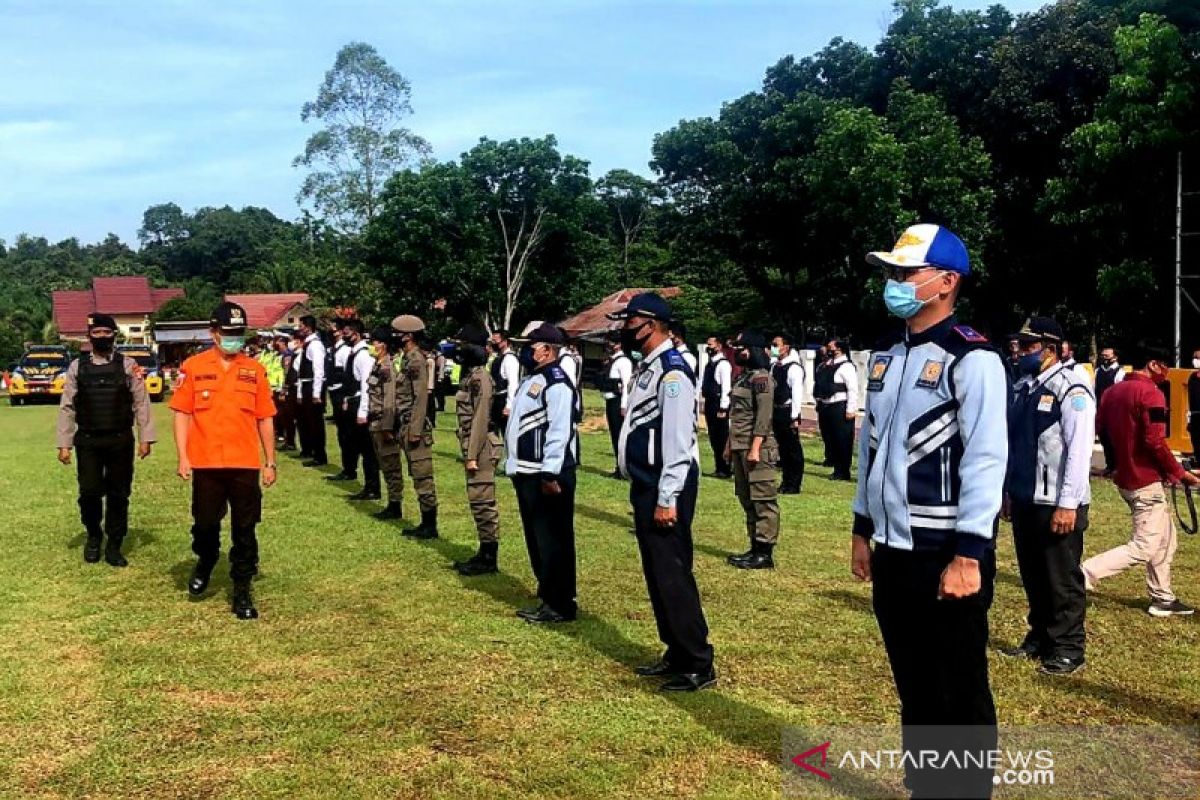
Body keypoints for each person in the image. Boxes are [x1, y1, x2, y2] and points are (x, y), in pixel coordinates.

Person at [851, 224, 1007, 798]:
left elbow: (987, 459)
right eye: (890, 272)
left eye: (905, 273)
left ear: (947, 282)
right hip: (894, 549)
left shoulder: (973, 357)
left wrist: (971, 552)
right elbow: (870, 447)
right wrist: (862, 527)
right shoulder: (888, 358)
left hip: (946, 552)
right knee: (914, 683)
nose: (893, 283)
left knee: (957, 688)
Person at [611, 293, 716, 692]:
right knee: (657, 573)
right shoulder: (648, 368)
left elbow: (676, 440)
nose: (625, 328)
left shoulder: (673, 372)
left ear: (651, 324)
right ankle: (675, 649)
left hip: (665, 484)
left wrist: (667, 497)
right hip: (647, 482)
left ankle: (697, 660)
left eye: (630, 321)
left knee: (672, 574)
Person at [171, 302, 277, 620]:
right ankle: (206, 559)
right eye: (228, 333)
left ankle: (242, 589)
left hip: (244, 463)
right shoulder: (193, 367)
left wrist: (270, 461)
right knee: (205, 524)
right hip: (206, 463)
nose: (234, 339)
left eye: (238, 334)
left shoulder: (254, 370)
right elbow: (182, 414)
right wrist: (183, 457)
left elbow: (265, 418)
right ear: (213, 333)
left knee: (245, 529)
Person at [1002, 317, 1093, 676]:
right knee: (1034, 574)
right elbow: (1016, 446)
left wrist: (1068, 502)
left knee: (1061, 578)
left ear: (1050, 350)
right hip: (1026, 497)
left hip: (1056, 499)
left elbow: (1079, 449)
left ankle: (1068, 646)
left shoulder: (1071, 387)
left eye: (1028, 346)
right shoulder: (1024, 386)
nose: (1020, 352)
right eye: (1019, 345)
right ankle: (1040, 635)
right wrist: (1009, 491)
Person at [1083, 344, 1199, 617]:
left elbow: (1102, 432)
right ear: (1154, 364)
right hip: (1144, 479)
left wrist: (1114, 466)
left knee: (1165, 539)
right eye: (1166, 367)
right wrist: (1178, 472)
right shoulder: (1152, 394)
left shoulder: (1111, 392)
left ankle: (1162, 596)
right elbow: (1155, 441)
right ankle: (1084, 574)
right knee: (1144, 545)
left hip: (1125, 476)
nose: (1167, 373)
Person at [56, 312, 155, 566]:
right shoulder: (77, 367)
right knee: (89, 492)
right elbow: (67, 406)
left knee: (118, 494)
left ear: (114, 335)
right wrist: (64, 443)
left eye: (106, 333)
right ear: (89, 336)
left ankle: (114, 544)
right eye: (96, 333)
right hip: (88, 440)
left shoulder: (128, 365)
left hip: (120, 440)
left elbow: (141, 403)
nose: (101, 337)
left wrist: (146, 437)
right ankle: (93, 534)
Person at [506, 323, 580, 623]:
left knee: (553, 539)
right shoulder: (535, 378)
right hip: (527, 469)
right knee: (538, 538)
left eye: (531, 346)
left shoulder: (557, 381)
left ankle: (559, 602)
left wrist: (550, 473)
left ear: (547, 350)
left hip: (545, 473)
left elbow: (560, 430)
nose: (526, 351)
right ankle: (548, 594)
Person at [725, 330, 780, 570]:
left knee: (763, 499)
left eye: (741, 348)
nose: (738, 352)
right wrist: (729, 445)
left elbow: (764, 416)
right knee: (747, 498)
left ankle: (764, 552)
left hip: (756, 447)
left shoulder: (762, 379)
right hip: (739, 445)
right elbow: (736, 415)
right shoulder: (743, 378)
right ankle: (754, 547)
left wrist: (755, 447)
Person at [451, 324, 503, 576]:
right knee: (477, 500)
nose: (458, 351)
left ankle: (488, 557)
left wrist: (471, 455)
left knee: (483, 501)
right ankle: (483, 551)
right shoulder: (471, 376)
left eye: (463, 346)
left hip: (482, 446)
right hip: (474, 444)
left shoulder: (480, 378)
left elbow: (481, 419)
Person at [392, 315, 439, 538]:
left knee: (422, 475)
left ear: (409, 336)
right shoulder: (407, 358)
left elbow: (421, 397)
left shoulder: (417, 360)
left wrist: (416, 429)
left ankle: (429, 524)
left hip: (414, 425)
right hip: (406, 422)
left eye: (397, 333)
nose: (394, 337)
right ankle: (425, 521)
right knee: (415, 473)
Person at [365, 326, 405, 520]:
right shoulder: (377, 365)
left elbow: (390, 398)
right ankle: (392, 501)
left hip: (383, 422)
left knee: (391, 465)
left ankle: (395, 503)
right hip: (375, 421)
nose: (371, 345)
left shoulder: (387, 368)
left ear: (383, 345)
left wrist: (388, 425)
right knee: (383, 463)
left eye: (374, 342)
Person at [341, 320, 381, 501]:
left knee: (367, 449)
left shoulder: (364, 356)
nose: (344, 336)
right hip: (353, 400)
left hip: (360, 403)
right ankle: (368, 484)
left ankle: (373, 487)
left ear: (356, 334)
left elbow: (366, 386)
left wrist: (362, 412)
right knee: (355, 444)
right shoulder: (353, 353)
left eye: (347, 333)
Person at [814, 338, 859, 480]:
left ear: (840, 349)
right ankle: (832, 461)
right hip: (825, 405)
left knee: (842, 439)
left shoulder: (847, 366)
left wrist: (851, 409)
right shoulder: (825, 365)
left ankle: (842, 471)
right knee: (829, 436)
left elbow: (853, 389)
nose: (828, 350)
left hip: (840, 405)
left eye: (831, 347)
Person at [770, 333, 806, 494]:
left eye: (776, 345)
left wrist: (795, 416)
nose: (773, 348)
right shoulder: (775, 366)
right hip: (776, 410)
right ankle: (785, 481)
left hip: (787, 410)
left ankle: (794, 483)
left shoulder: (793, 368)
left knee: (792, 449)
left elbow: (797, 394)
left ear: (786, 347)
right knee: (782, 449)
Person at [326, 317, 357, 482]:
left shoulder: (345, 350)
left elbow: (347, 375)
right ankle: (347, 467)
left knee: (346, 433)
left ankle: (349, 469)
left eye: (333, 328)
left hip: (342, 393)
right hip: (335, 391)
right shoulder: (334, 349)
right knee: (342, 433)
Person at [295, 315, 328, 466]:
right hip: (307, 385)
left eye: (301, 326)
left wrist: (316, 393)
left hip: (313, 386)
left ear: (308, 327)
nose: (299, 329)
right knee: (308, 422)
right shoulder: (308, 345)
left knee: (316, 423)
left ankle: (320, 455)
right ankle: (312, 451)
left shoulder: (315, 345)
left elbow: (318, 370)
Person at [601, 333, 634, 479]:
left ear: (619, 344)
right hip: (610, 400)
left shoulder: (624, 362)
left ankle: (624, 468)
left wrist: (624, 405)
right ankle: (619, 466)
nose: (609, 346)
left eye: (611, 343)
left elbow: (626, 385)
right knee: (614, 436)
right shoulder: (611, 360)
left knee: (620, 437)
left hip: (617, 402)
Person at [701, 335, 733, 479]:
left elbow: (726, 388)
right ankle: (718, 466)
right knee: (713, 437)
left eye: (711, 345)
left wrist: (723, 408)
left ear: (719, 346)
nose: (709, 348)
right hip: (710, 402)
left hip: (718, 404)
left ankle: (725, 468)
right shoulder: (710, 363)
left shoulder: (723, 364)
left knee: (721, 437)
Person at [1094, 346, 1125, 471]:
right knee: (1104, 438)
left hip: (1114, 412)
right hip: (1101, 411)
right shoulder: (1098, 372)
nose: (1104, 358)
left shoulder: (1120, 372)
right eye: (1103, 356)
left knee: (1114, 440)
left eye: (1107, 356)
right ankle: (1110, 465)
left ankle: (1118, 467)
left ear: (1115, 357)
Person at [272, 333, 297, 451]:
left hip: (285, 390)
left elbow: (287, 374)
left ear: (283, 342)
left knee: (287, 416)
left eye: (278, 341)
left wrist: (284, 390)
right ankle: (288, 440)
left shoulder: (287, 355)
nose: (275, 343)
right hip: (278, 388)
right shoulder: (279, 355)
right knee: (282, 416)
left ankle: (290, 442)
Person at [1188, 348, 1200, 457]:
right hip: (1194, 415)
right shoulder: (1192, 377)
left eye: (1198, 358)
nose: (1195, 360)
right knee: (1195, 439)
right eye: (1194, 358)